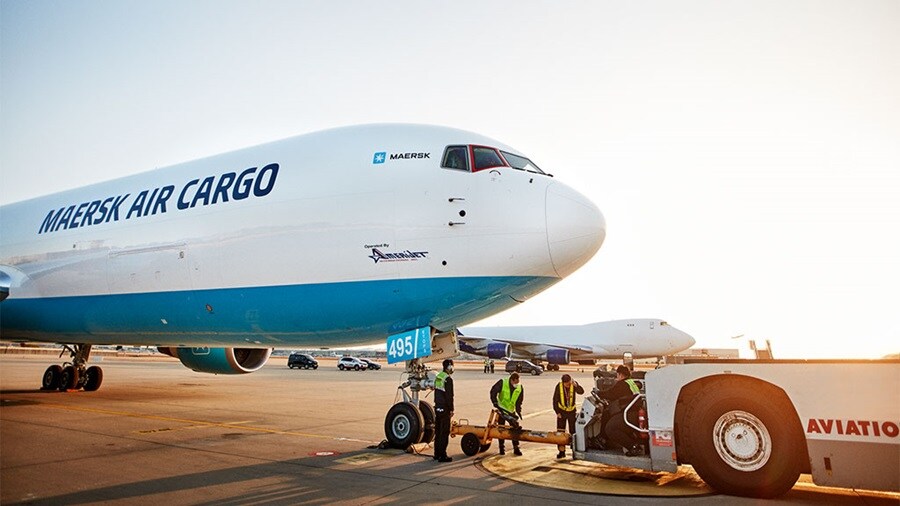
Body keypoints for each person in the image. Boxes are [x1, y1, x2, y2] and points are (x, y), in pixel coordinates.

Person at [598, 365, 642, 455]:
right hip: (634, 412)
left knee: (610, 428)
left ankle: (633, 446)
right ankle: (603, 439)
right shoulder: (631, 382)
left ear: (620, 375)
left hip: (628, 414)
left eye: (617, 375)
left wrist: (598, 393)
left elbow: (610, 394)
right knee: (607, 413)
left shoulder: (622, 384)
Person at [490, 372, 524, 455]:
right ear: (512, 380)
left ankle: (516, 448)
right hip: (502, 410)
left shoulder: (519, 387)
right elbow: (493, 391)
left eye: (518, 382)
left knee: (515, 428)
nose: (517, 384)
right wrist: (494, 402)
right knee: (501, 429)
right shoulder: (502, 382)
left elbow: (519, 400)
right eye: (515, 382)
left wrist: (518, 410)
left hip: (511, 411)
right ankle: (501, 447)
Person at [552, 374, 584, 458]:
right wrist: (557, 412)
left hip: (571, 412)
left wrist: (576, 386)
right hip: (561, 413)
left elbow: (581, 391)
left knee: (573, 432)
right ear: (563, 382)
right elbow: (555, 399)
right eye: (566, 384)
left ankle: (574, 451)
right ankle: (561, 452)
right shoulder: (559, 386)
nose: (568, 385)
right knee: (560, 432)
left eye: (569, 383)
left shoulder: (574, 384)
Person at [433, 359, 455, 462]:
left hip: (437, 406)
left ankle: (437, 454)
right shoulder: (448, 379)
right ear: (449, 367)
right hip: (445, 408)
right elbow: (449, 396)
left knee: (438, 431)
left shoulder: (438, 377)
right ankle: (443, 455)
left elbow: (436, 392)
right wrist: (451, 409)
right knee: (444, 432)